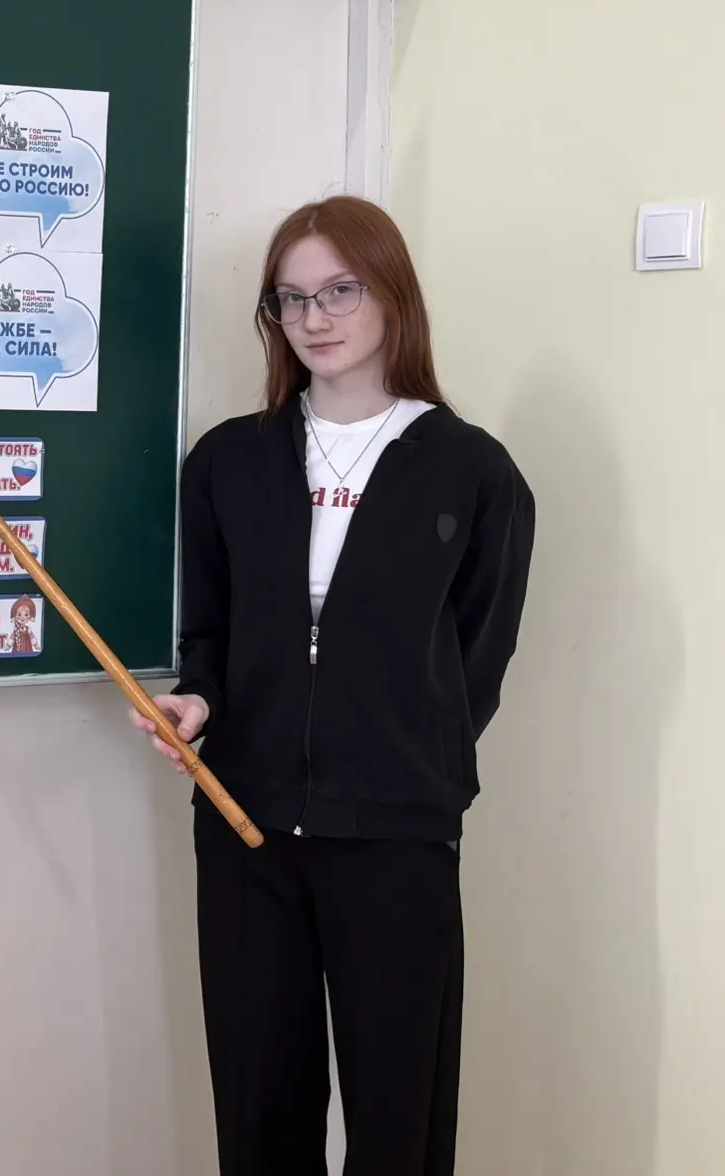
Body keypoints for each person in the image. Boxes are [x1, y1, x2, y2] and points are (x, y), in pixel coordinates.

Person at [134, 196, 535, 1176]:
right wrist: (198, 701)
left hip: (397, 835)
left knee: (399, 1121)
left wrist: (400, 756)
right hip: (246, 827)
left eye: (340, 291)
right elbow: (210, 633)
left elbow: (474, 662)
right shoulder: (228, 461)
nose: (315, 318)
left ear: (392, 293)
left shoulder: (474, 473)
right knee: (259, 1114)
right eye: (291, 299)